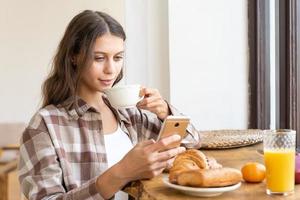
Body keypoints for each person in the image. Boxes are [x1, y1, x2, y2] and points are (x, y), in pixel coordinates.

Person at [18, 10, 201, 200]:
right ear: (74, 56)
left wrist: (166, 112)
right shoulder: (45, 126)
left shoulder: (128, 114)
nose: (110, 70)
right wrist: (122, 172)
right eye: (99, 58)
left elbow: (191, 144)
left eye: (118, 58)